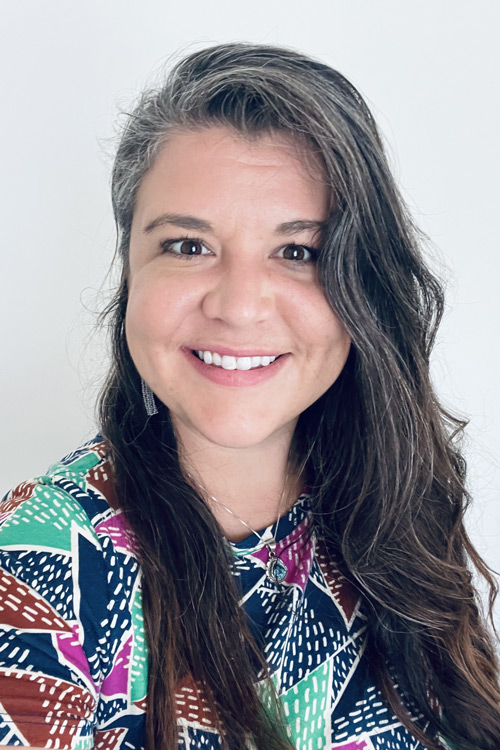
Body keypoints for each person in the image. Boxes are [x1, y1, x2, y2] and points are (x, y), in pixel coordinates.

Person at [0, 42, 499, 750]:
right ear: (129, 273)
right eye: (187, 246)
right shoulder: (41, 568)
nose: (239, 306)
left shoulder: (395, 500)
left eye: (298, 252)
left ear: (366, 285)